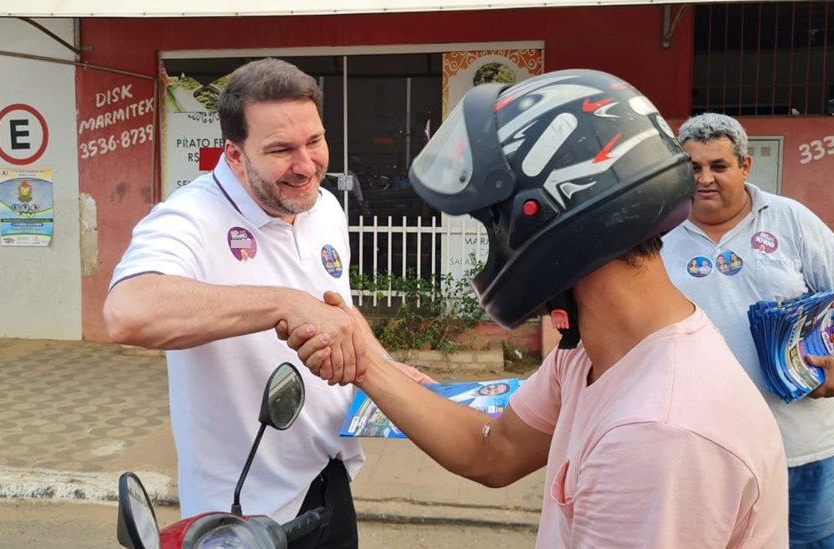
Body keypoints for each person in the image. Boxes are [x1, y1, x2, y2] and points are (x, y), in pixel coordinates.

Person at [286, 69, 789, 547]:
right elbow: (493, 450)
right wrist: (368, 364)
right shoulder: (593, 353)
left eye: (492, 225)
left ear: (548, 221)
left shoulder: (658, 435)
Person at [103, 57, 432, 548]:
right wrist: (286, 303)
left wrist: (382, 365)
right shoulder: (188, 217)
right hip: (241, 514)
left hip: (330, 472)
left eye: (315, 142)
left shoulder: (323, 206)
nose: (306, 165)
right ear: (234, 156)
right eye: (281, 149)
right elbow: (127, 312)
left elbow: (335, 304)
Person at [660, 112, 834, 548]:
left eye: (718, 166)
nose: (704, 179)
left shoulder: (790, 220)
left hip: (804, 449)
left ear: (744, 166)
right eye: (692, 168)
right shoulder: (657, 233)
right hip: (699, 450)